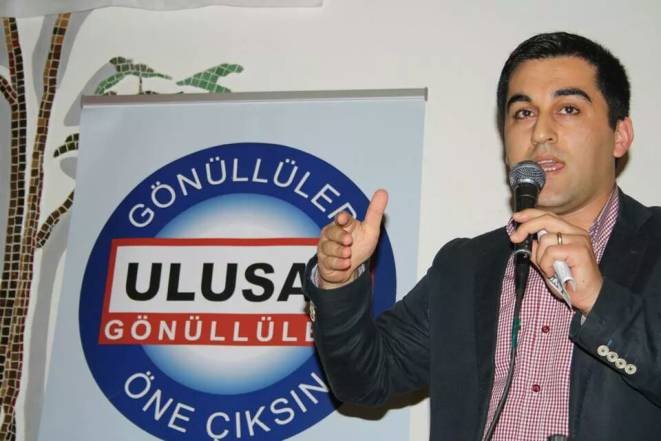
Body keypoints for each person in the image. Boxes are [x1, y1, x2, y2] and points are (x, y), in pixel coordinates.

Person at [303, 32, 661, 441]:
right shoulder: (465, 266)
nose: (541, 132)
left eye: (568, 109)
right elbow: (365, 377)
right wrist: (337, 283)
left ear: (620, 135)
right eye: (523, 113)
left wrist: (599, 301)